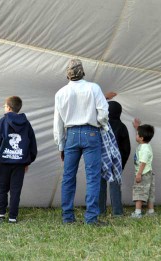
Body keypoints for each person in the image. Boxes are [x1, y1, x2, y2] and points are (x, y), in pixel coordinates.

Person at [53, 58, 109, 225]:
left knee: (68, 177)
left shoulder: (60, 93)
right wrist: (102, 125)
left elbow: (58, 123)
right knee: (93, 177)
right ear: (83, 72)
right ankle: (91, 218)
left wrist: (60, 145)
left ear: (67, 76)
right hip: (91, 133)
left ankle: (68, 217)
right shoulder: (94, 88)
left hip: (71, 135)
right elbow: (103, 112)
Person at [0, 96, 37, 223]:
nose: (4, 108)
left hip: (3, 163)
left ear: (9, 108)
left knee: (2, 188)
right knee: (16, 190)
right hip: (19, 164)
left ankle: (1, 214)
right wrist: (27, 160)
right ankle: (12, 217)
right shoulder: (26, 123)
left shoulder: (2, 122)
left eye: (4, 106)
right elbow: (32, 143)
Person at [99, 101, 131, 216]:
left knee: (100, 187)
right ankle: (117, 212)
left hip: (102, 161)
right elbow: (126, 148)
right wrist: (121, 164)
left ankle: (100, 212)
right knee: (115, 187)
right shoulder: (122, 127)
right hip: (116, 162)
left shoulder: (101, 125)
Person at [131, 118, 155, 218]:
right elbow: (141, 136)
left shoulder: (144, 149)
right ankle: (150, 211)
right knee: (149, 192)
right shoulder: (145, 145)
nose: (136, 135)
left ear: (141, 138)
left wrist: (139, 174)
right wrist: (137, 127)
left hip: (143, 174)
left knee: (139, 192)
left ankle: (137, 212)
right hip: (148, 173)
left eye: (137, 134)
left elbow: (143, 162)